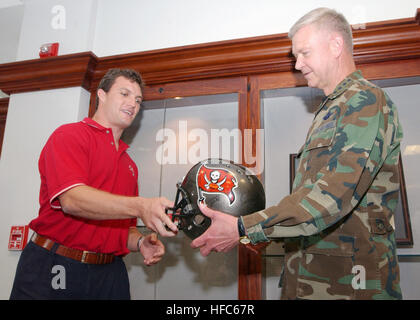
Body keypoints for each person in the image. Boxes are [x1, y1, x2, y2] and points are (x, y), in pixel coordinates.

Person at [191, 8, 403, 300]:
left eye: (304, 53)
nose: (298, 64)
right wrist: (265, 233)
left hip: (351, 285)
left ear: (336, 45)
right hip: (312, 277)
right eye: (295, 56)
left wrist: (244, 227)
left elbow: (334, 197)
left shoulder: (365, 101)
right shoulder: (330, 111)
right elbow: (308, 199)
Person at [10, 68, 178, 300]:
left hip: (110, 273)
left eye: (138, 100)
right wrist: (141, 206)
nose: (133, 104)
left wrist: (140, 242)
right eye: (124, 94)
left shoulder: (130, 165)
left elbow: (124, 228)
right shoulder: (70, 135)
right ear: (102, 94)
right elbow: (72, 200)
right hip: (56, 264)